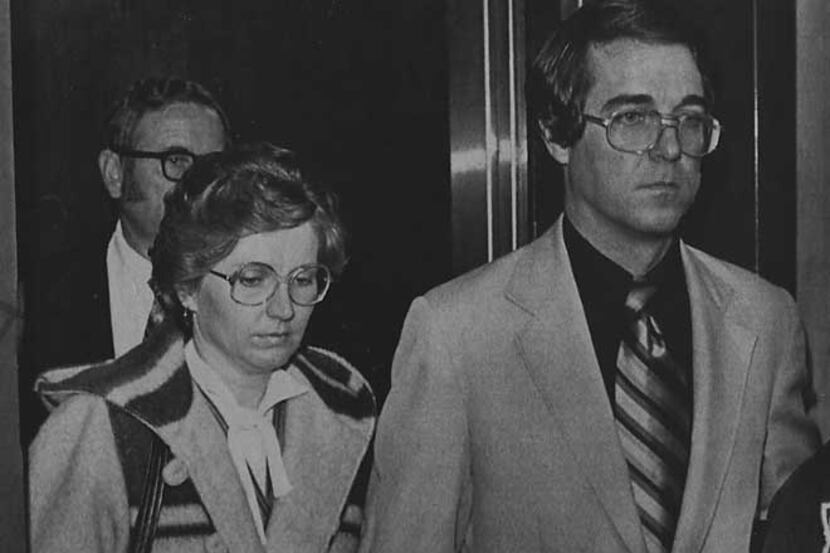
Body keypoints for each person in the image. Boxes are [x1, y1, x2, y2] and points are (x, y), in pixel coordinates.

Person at [359, 1, 819, 552]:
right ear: (557, 134)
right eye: (633, 118)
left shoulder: (765, 320)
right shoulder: (457, 333)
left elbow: (802, 531)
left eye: (689, 120)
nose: (670, 148)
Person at [29, 143, 375, 553]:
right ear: (188, 287)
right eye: (252, 279)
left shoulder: (343, 411)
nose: (284, 309)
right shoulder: (99, 428)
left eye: (303, 279)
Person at [20, 76, 230, 444]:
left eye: (213, 165)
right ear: (114, 174)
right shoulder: (41, 295)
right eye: (175, 160)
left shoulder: (254, 288)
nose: (198, 184)